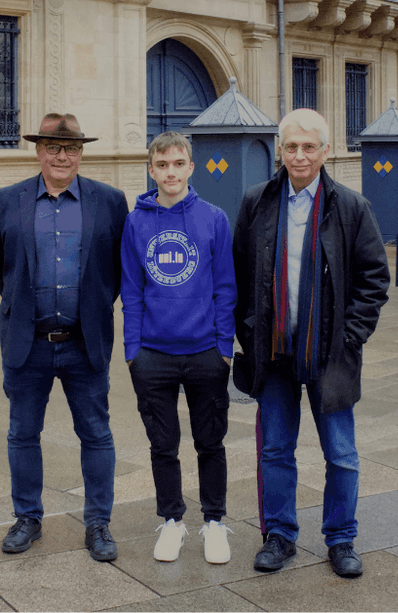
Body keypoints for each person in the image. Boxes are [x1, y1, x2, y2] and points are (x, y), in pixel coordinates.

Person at [231, 108, 390, 578]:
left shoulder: (351, 207)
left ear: (325, 151)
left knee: (340, 454)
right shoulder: (256, 202)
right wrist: (251, 331)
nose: (299, 155)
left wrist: (350, 338)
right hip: (274, 354)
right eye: (291, 146)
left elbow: (374, 280)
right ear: (280, 150)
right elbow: (238, 276)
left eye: (308, 146)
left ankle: (341, 539)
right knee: (275, 449)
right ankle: (279, 536)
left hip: (330, 355)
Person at [0, 113, 129, 561]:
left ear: (81, 153)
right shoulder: (8, 200)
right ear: (38, 151)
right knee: (23, 433)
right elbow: (0, 268)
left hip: (84, 341)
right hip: (27, 342)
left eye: (69, 148)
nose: (61, 156)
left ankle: (98, 523)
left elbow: (117, 271)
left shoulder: (110, 202)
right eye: (52, 147)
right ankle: (28, 517)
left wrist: (93, 307)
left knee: (96, 433)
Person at [120, 132, 237, 565]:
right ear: (151, 170)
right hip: (153, 355)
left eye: (178, 163)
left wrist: (224, 348)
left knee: (211, 443)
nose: (171, 172)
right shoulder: (136, 222)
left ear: (191, 167)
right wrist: (133, 352)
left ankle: (213, 522)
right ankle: (171, 520)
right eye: (162, 164)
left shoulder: (214, 218)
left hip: (206, 352)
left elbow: (225, 288)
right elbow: (131, 290)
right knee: (162, 445)